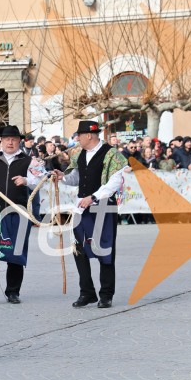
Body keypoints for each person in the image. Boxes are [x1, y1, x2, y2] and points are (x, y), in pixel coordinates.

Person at [52, 121, 127, 309]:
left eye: (79, 135)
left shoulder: (112, 154)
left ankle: (106, 294)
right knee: (79, 250)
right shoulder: (79, 155)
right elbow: (76, 178)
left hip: (103, 207)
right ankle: (87, 293)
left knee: (105, 250)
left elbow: (114, 182)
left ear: (89, 136)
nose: (76, 139)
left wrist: (93, 197)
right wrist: (63, 177)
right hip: (82, 209)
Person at [0, 126, 44, 304]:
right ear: (1, 141)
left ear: (19, 141)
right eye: (7, 139)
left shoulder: (29, 161)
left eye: (13, 139)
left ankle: (13, 292)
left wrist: (26, 180)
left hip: (18, 213)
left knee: (16, 254)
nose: (10, 142)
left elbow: (41, 181)